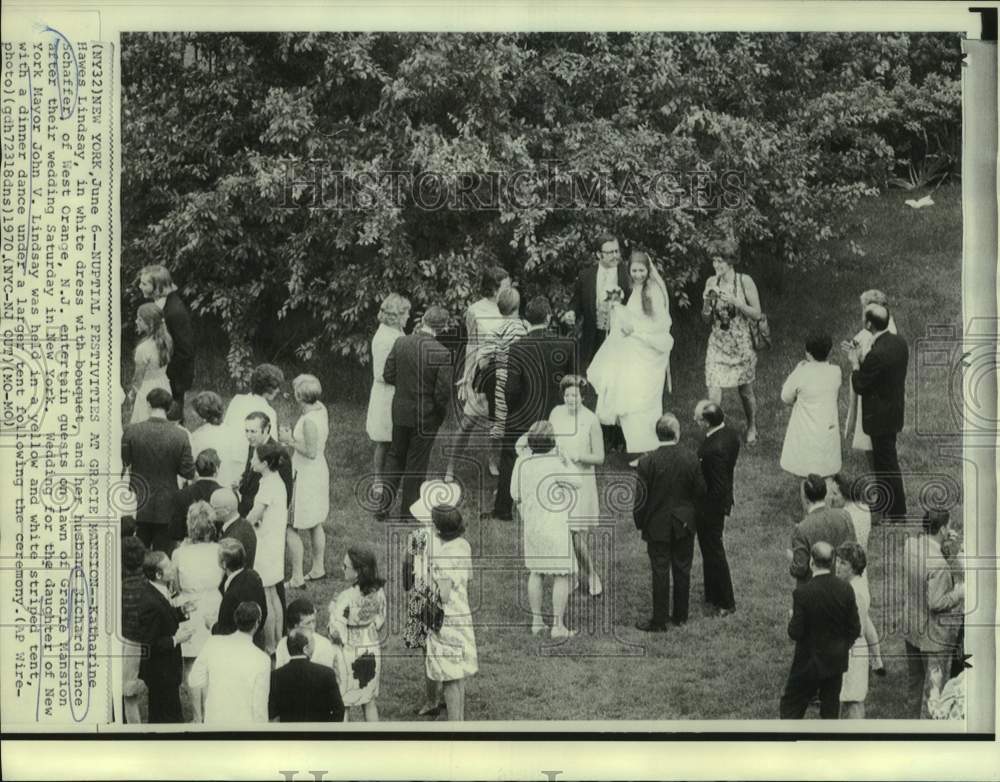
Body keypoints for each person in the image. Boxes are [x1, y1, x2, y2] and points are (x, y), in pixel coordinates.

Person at [493, 295, 576, 521]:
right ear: (549, 318)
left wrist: (514, 410)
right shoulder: (566, 345)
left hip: (522, 412)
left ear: (526, 320)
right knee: (559, 456)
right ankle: (561, 503)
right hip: (555, 414)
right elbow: (574, 382)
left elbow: (510, 388)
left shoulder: (518, 348)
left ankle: (502, 509)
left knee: (510, 456)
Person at [587, 250, 673, 456]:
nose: (637, 274)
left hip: (647, 353)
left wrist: (636, 333)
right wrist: (617, 308)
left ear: (648, 269)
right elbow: (635, 317)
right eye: (634, 270)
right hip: (634, 351)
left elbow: (659, 324)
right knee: (630, 398)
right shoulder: (637, 288)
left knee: (642, 400)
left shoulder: (653, 291)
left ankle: (647, 447)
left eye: (641, 270)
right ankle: (640, 447)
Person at [632, 413, 706, 631]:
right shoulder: (690, 458)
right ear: (677, 433)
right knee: (682, 568)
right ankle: (681, 615)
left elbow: (640, 500)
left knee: (660, 570)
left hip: (657, 525)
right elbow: (701, 491)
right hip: (683, 523)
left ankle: (659, 620)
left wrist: (641, 523)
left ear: (657, 434)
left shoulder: (647, 462)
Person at [379, 305, 453, 521]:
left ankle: (382, 507)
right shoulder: (442, 353)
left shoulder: (401, 342)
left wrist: (405, 388)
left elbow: (388, 374)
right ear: (443, 327)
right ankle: (408, 513)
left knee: (395, 456)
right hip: (426, 416)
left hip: (401, 410)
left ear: (424, 321)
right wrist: (439, 414)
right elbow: (442, 394)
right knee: (416, 463)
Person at [512, 421, 582, 638]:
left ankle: (537, 621)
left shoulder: (522, 462)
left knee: (536, 571)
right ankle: (558, 626)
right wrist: (565, 458)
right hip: (555, 525)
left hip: (532, 525)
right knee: (562, 573)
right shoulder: (554, 463)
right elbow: (577, 481)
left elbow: (514, 493)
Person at [779, 542, 861, 719]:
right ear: (832, 562)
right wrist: (841, 647)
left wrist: (791, 618)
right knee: (830, 712)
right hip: (835, 663)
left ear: (811, 562)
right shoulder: (846, 589)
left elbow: (795, 632)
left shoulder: (802, 593)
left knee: (790, 708)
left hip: (807, 663)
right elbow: (855, 628)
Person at [446, 266, 512, 482]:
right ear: (493, 288)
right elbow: (471, 344)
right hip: (481, 373)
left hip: (503, 369)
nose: (509, 288)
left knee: (498, 421)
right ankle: (451, 466)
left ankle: (493, 459)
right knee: (468, 422)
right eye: (505, 285)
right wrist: (467, 377)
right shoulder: (475, 310)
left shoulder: (510, 306)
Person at [845, 303, 909, 521]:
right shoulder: (899, 343)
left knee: (886, 465)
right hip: (894, 412)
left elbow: (861, 385)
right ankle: (886, 508)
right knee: (885, 463)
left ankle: (897, 512)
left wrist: (855, 363)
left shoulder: (877, 354)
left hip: (879, 418)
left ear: (869, 324)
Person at [903, 508, 964, 718]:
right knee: (934, 692)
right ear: (943, 528)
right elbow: (936, 602)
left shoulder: (910, 545)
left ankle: (910, 728)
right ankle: (932, 733)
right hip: (933, 637)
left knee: (914, 685)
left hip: (911, 627)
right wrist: (958, 593)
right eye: (949, 525)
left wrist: (945, 547)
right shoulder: (939, 566)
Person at [701, 240, 763, 445]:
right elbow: (705, 319)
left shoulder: (744, 281)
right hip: (718, 344)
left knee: (745, 392)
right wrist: (707, 304)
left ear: (731, 262)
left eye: (720, 262)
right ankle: (715, 432)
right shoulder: (711, 282)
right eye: (714, 261)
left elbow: (756, 314)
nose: (716, 266)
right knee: (714, 390)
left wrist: (736, 302)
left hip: (741, 344)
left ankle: (752, 425)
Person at [548, 375, 605, 596]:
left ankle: (591, 574)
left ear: (583, 396)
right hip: (559, 479)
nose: (571, 399)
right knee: (560, 532)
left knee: (575, 534)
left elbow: (599, 457)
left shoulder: (591, 420)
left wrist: (578, 456)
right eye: (568, 395)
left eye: (575, 395)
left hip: (580, 482)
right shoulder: (555, 413)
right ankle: (570, 575)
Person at [121, 387, 195, 554]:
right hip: (167, 504)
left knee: (136, 553)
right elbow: (188, 472)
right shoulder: (180, 435)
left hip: (137, 502)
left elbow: (125, 462)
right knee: (163, 556)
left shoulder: (132, 431)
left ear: (148, 405)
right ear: (168, 408)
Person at [170, 501, 223, 722]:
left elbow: (175, 586)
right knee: (211, 663)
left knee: (192, 664)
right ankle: (209, 712)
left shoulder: (179, 554)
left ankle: (198, 716)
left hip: (189, 606)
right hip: (213, 603)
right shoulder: (220, 550)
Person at [425, 505, 478, 720]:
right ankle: (459, 721)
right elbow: (470, 576)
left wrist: (428, 583)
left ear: (438, 529)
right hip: (462, 614)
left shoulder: (442, 556)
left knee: (448, 676)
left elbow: (443, 594)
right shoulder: (463, 545)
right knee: (458, 676)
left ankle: (455, 727)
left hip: (444, 620)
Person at [278, 374, 330, 586]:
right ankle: (318, 568)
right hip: (318, 472)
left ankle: (297, 576)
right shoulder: (321, 408)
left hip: (305, 474)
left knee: (290, 525)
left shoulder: (309, 421)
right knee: (315, 522)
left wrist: (289, 440)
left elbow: (310, 452)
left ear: (299, 396)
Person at [328, 545, 387, 721]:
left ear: (358, 572)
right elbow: (380, 621)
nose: (342, 568)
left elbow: (335, 632)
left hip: (349, 652)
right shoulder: (379, 591)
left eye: (345, 566)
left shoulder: (345, 597)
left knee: (343, 703)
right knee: (368, 701)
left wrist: (332, 608)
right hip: (370, 649)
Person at [135, 551, 195, 723]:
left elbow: (163, 619)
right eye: (168, 566)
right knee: (168, 718)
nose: (173, 567)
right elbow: (150, 644)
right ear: (158, 574)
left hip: (165, 672)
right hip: (161, 674)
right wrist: (177, 639)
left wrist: (182, 611)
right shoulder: (151, 603)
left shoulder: (157, 590)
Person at [693, 400, 740, 617]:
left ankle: (726, 601)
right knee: (710, 550)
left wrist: (705, 510)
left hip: (710, 508)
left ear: (707, 422)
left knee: (714, 551)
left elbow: (717, 486)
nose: (695, 421)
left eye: (698, 418)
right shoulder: (729, 434)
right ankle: (712, 594)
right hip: (717, 504)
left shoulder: (713, 449)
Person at [190, 601, 271, 724]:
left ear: (235, 619)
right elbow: (259, 707)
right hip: (244, 728)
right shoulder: (262, 660)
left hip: (214, 722)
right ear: (257, 624)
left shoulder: (213, 643)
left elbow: (194, 680)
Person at [844, 290, 898, 469]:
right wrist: (853, 349)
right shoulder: (872, 327)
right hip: (868, 391)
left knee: (876, 445)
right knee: (868, 443)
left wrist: (857, 359)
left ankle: (880, 483)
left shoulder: (887, 332)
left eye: (866, 308)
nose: (863, 314)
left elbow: (875, 360)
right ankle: (877, 481)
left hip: (875, 395)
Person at [246, 441, 289, 655]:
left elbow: (254, 515)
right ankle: (278, 642)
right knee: (272, 594)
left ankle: (271, 645)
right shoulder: (275, 481)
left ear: (264, 463)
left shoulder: (268, 485)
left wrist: (241, 526)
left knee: (266, 594)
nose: (251, 461)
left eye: (254, 458)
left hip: (265, 545)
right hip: (274, 543)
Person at [366, 293, 411, 499]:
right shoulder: (386, 338)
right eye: (406, 313)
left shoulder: (396, 332)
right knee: (384, 439)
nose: (409, 317)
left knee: (394, 439)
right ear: (397, 315)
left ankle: (391, 479)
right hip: (387, 393)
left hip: (395, 390)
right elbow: (382, 373)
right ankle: (378, 480)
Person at [779, 334, 842, 478]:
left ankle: (809, 498)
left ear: (808, 353)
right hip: (827, 428)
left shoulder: (802, 372)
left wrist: (797, 369)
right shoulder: (836, 372)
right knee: (826, 470)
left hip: (805, 430)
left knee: (805, 473)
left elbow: (786, 397)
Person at [137, 265, 195, 422]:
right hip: (163, 374)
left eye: (144, 284)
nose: (140, 286)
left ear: (158, 287)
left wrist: (164, 372)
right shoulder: (160, 304)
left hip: (175, 377)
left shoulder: (175, 311)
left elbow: (186, 351)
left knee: (172, 419)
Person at [835, 541, 883, 719]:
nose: (837, 566)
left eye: (843, 563)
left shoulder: (855, 591)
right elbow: (869, 625)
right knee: (845, 698)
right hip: (850, 651)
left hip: (852, 652)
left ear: (854, 568)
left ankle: (857, 739)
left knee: (853, 700)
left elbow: (860, 628)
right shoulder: (852, 586)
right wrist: (877, 657)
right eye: (837, 561)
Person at [788, 474, 856, 586]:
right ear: (825, 493)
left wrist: (792, 560)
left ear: (805, 498)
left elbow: (800, 569)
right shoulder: (844, 516)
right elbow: (853, 551)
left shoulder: (802, 528)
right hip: (841, 588)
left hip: (813, 593)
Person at [222, 363, 284, 482]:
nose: (278, 390)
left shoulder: (237, 400)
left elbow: (226, 427)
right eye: (276, 387)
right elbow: (270, 445)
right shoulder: (269, 412)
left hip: (227, 457)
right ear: (268, 389)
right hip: (248, 465)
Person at [269, 630, 346, 723]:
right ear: (305, 649)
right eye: (313, 642)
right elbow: (339, 710)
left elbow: (272, 712)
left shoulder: (275, 676)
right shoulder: (327, 673)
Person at [236, 410, 293, 518]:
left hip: (264, 515)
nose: (248, 436)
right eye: (246, 431)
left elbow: (287, 492)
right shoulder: (253, 445)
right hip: (246, 509)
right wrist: (240, 481)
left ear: (266, 429)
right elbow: (250, 471)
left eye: (253, 431)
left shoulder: (279, 453)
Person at [212, 538, 267, 650]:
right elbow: (264, 610)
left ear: (223, 564)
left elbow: (224, 632)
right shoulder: (254, 576)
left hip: (237, 647)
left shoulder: (231, 595)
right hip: (257, 637)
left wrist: (212, 625)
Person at [127, 303, 173, 425]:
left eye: (140, 319)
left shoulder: (143, 349)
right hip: (163, 385)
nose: (136, 321)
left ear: (150, 324)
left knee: (143, 422)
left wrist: (133, 395)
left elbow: (138, 378)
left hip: (147, 389)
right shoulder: (166, 341)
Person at [120, 536, 148, 724]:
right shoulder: (148, 584)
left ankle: (134, 730)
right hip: (147, 640)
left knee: (128, 694)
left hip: (130, 643)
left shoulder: (120, 587)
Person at [169, 448, 222, 544]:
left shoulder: (180, 495)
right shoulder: (226, 496)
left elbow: (175, 534)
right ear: (217, 469)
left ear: (196, 470)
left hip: (188, 550)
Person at [188, 391, 239, 487]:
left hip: (207, 486)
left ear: (202, 416)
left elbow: (190, 466)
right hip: (229, 485)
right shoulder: (233, 432)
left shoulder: (197, 436)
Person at [275, 597, 339, 670]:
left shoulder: (324, 644)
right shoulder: (283, 645)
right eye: (307, 623)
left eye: (313, 621)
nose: (312, 627)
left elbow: (326, 676)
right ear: (295, 626)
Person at [210, 488, 257, 569]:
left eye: (214, 508)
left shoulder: (232, 540)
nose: (211, 512)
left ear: (227, 510)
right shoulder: (245, 524)